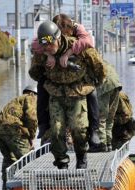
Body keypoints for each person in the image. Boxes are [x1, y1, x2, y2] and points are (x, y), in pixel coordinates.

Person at [29, 21, 106, 169]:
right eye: (44, 46)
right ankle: (61, 161)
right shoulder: (43, 51)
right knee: (56, 131)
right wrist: (46, 58)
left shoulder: (77, 46)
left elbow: (99, 65)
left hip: (77, 93)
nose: (48, 48)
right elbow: (34, 72)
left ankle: (81, 157)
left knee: (78, 128)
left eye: (50, 45)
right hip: (56, 94)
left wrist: (96, 81)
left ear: (58, 38)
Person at [0, 85, 38, 190]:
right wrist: (32, 136)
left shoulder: (17, 100)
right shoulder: (31, 98)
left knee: (9, 158)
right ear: (34, 93)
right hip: (12, 128)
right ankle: (30, 186)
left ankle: (5, 185)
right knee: (28, 159)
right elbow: (32, 117)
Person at [89, 63, 122, 152]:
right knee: (110, 118)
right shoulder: (104, 61)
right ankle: (109, 144)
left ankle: (102, 144)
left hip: (105, 86)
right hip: (116, 84)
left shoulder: (89, 62)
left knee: (101, 117)